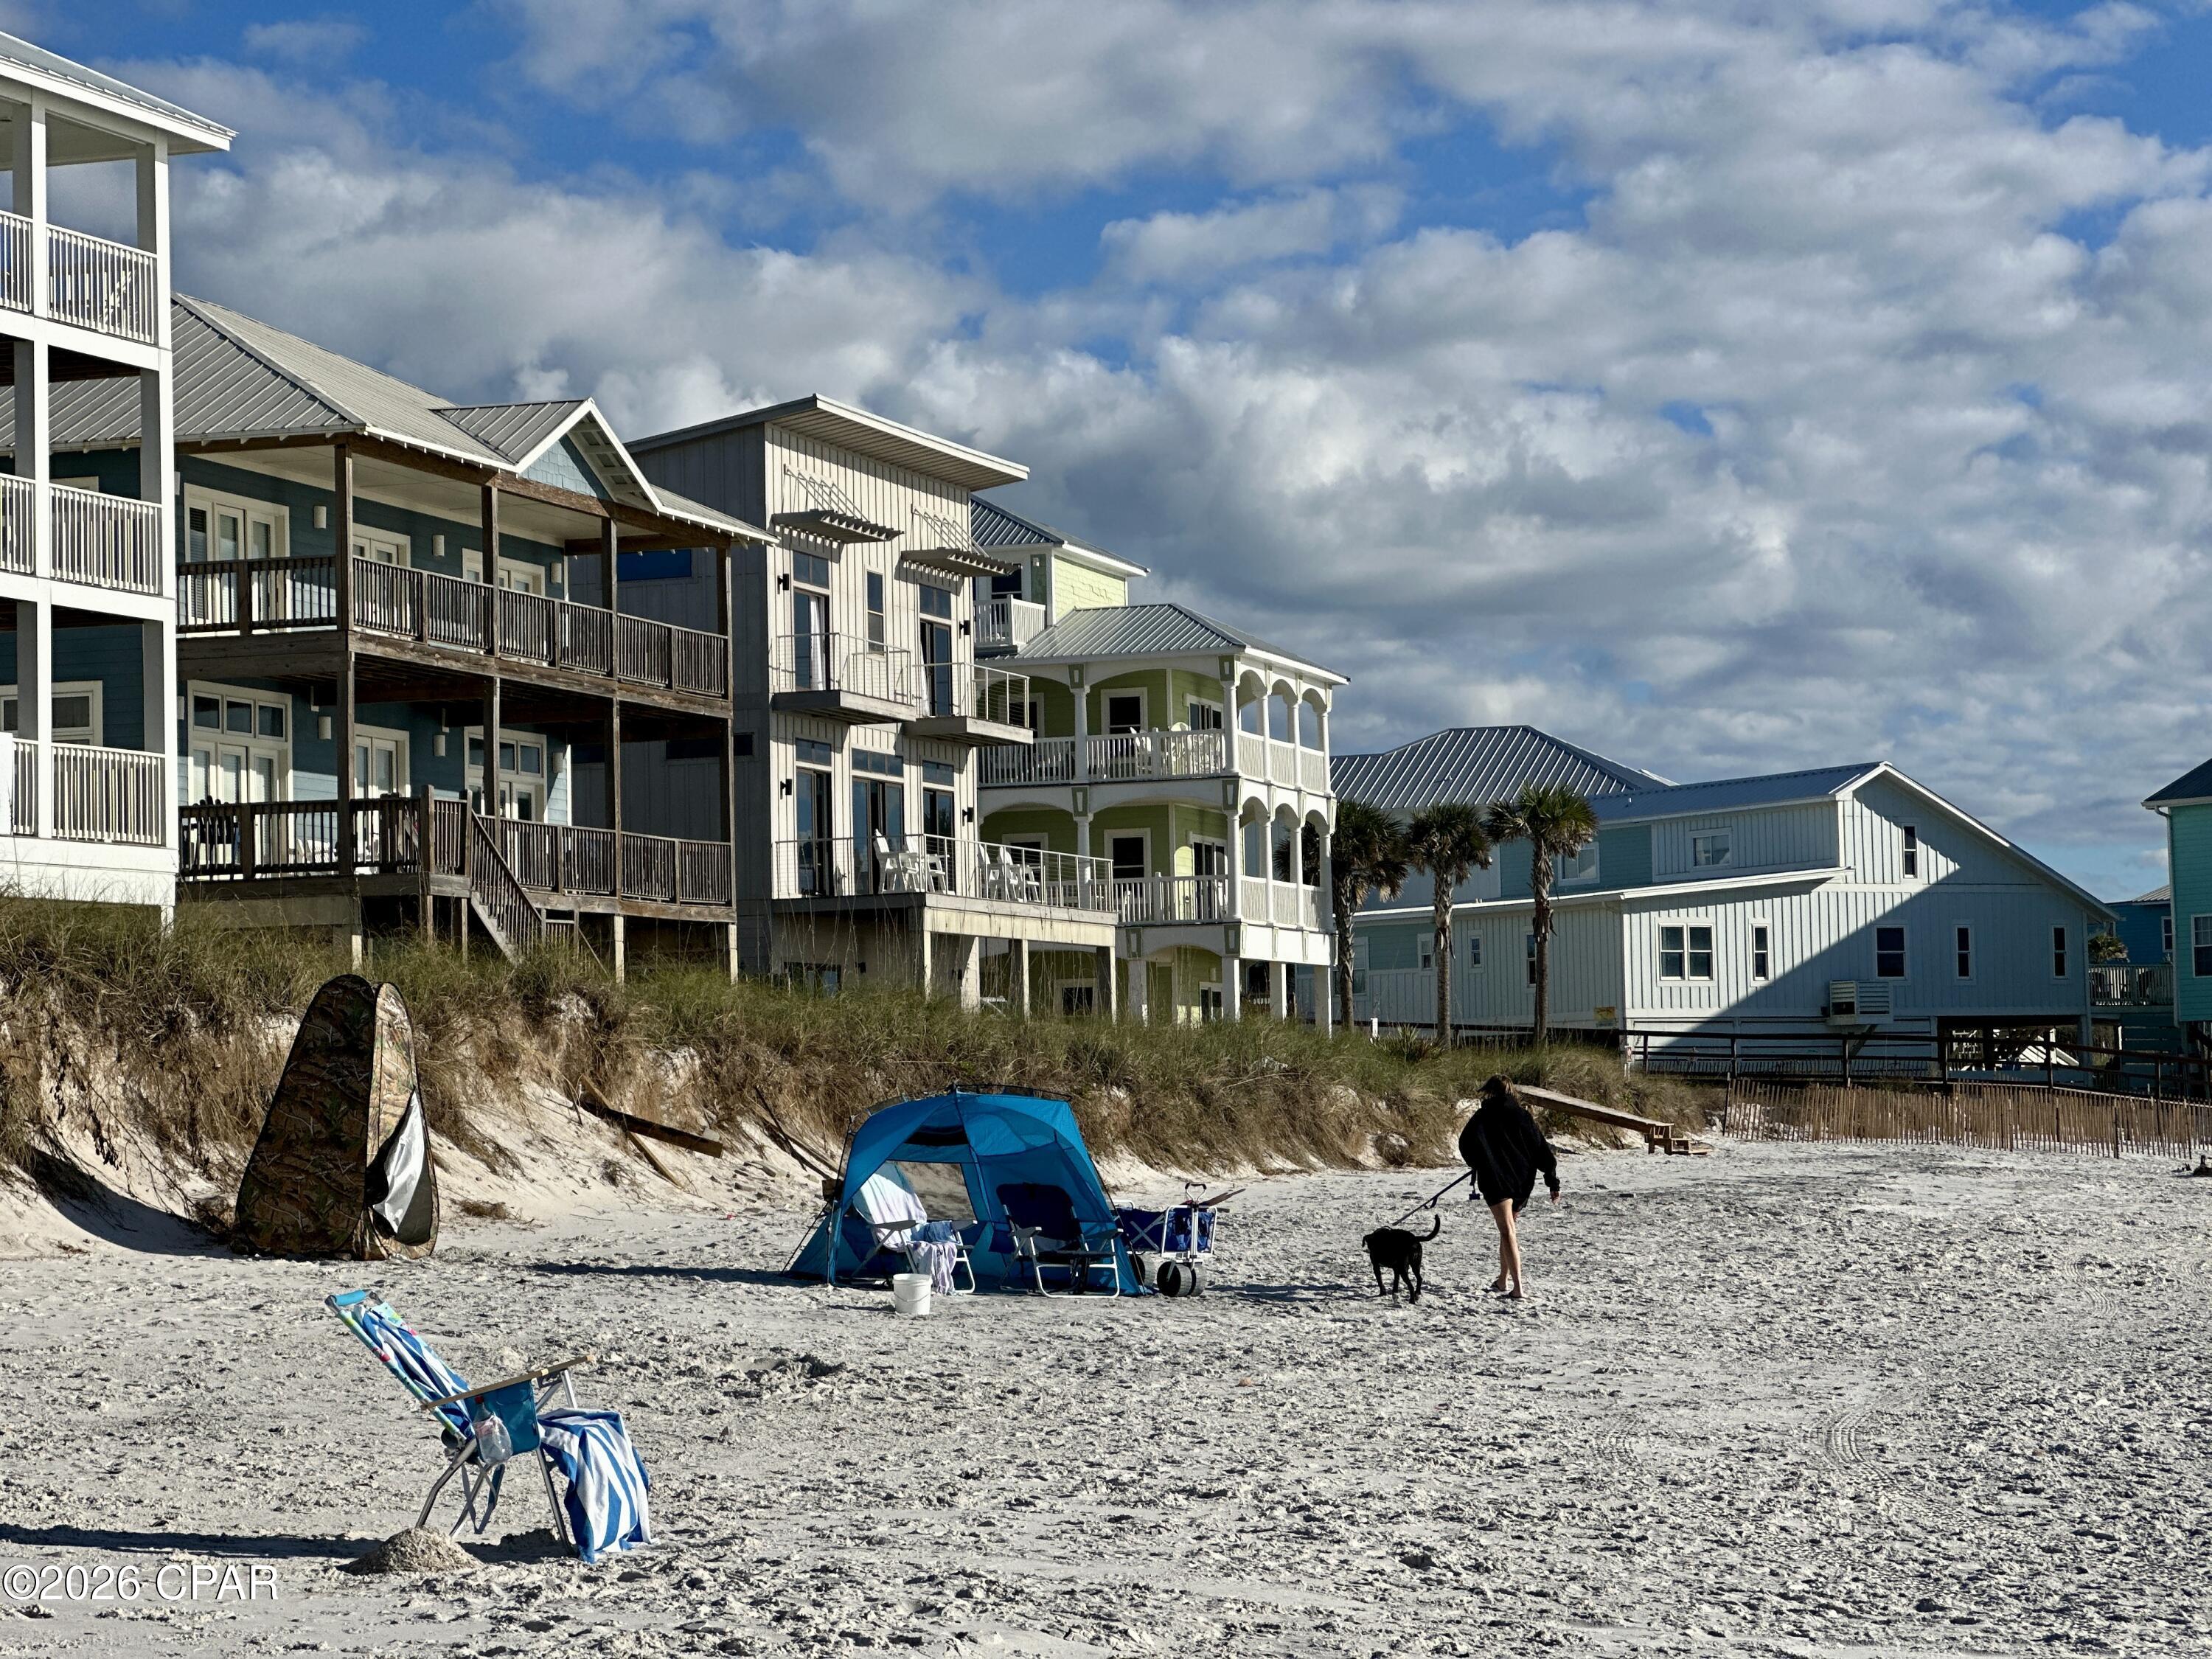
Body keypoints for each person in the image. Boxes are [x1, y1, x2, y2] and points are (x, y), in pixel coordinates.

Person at [1457, 1075, 1559, 1300]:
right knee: (1508, 1229)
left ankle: (1518, 1288)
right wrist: (1552, 1181)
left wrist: (1478, 1162)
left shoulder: (1483, 1116)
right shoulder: (1523, 1116)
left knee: (1507, 1231)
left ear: (1490, 1092)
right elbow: (1542, 1149)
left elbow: (1465, 1144)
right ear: (1511, 1092)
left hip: (1496, 1180)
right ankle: (1503, 1280)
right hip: (1522, 1181)